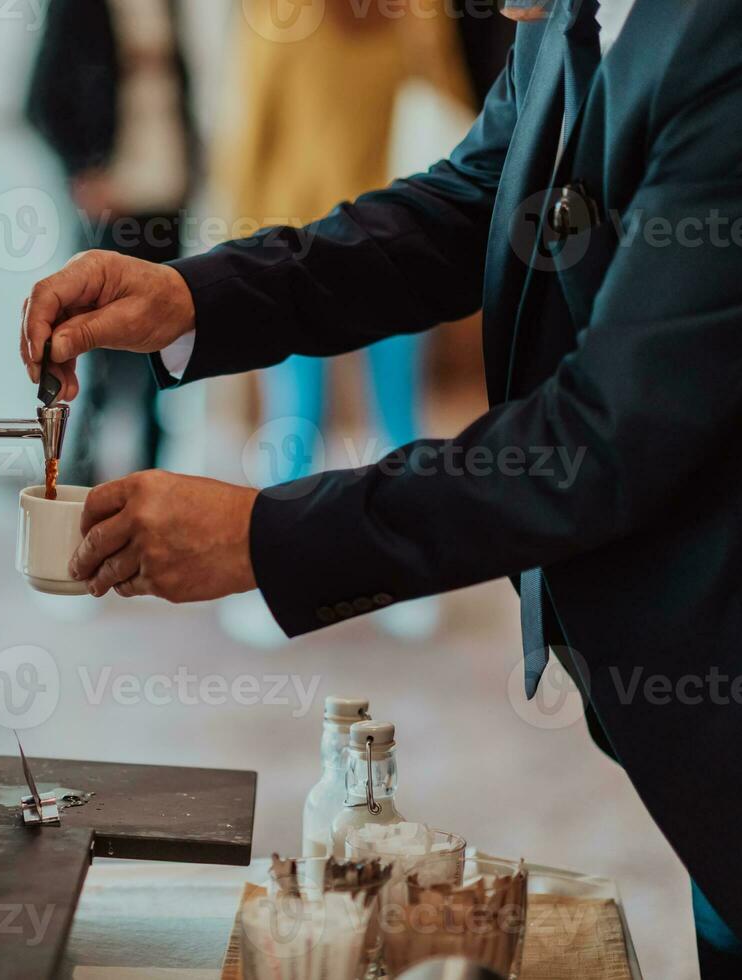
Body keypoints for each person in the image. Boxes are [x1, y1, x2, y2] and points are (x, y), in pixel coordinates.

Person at [18, 0, 742, 975]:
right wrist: (197, 299)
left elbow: (600, 438)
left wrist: (265, 536)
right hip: (709, 727)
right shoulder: (561, 15)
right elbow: (469, 203)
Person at [214, 0, 476, 644]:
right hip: (369, 238)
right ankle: (390, 579)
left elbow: (248, 133)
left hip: (330, 241)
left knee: (330, 419)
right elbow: (453, 112)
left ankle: (307, 580)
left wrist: (236, 253)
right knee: (363, 419)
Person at [24, 0, 196, 485]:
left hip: (167, 193)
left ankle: (151, 469)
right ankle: (78, 470)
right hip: (111, 200)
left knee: (167, 340)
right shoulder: (76, 9)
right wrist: (84, 171)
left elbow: (181, 87)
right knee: (94, 344)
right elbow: (39, 101)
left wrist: (194, 168)